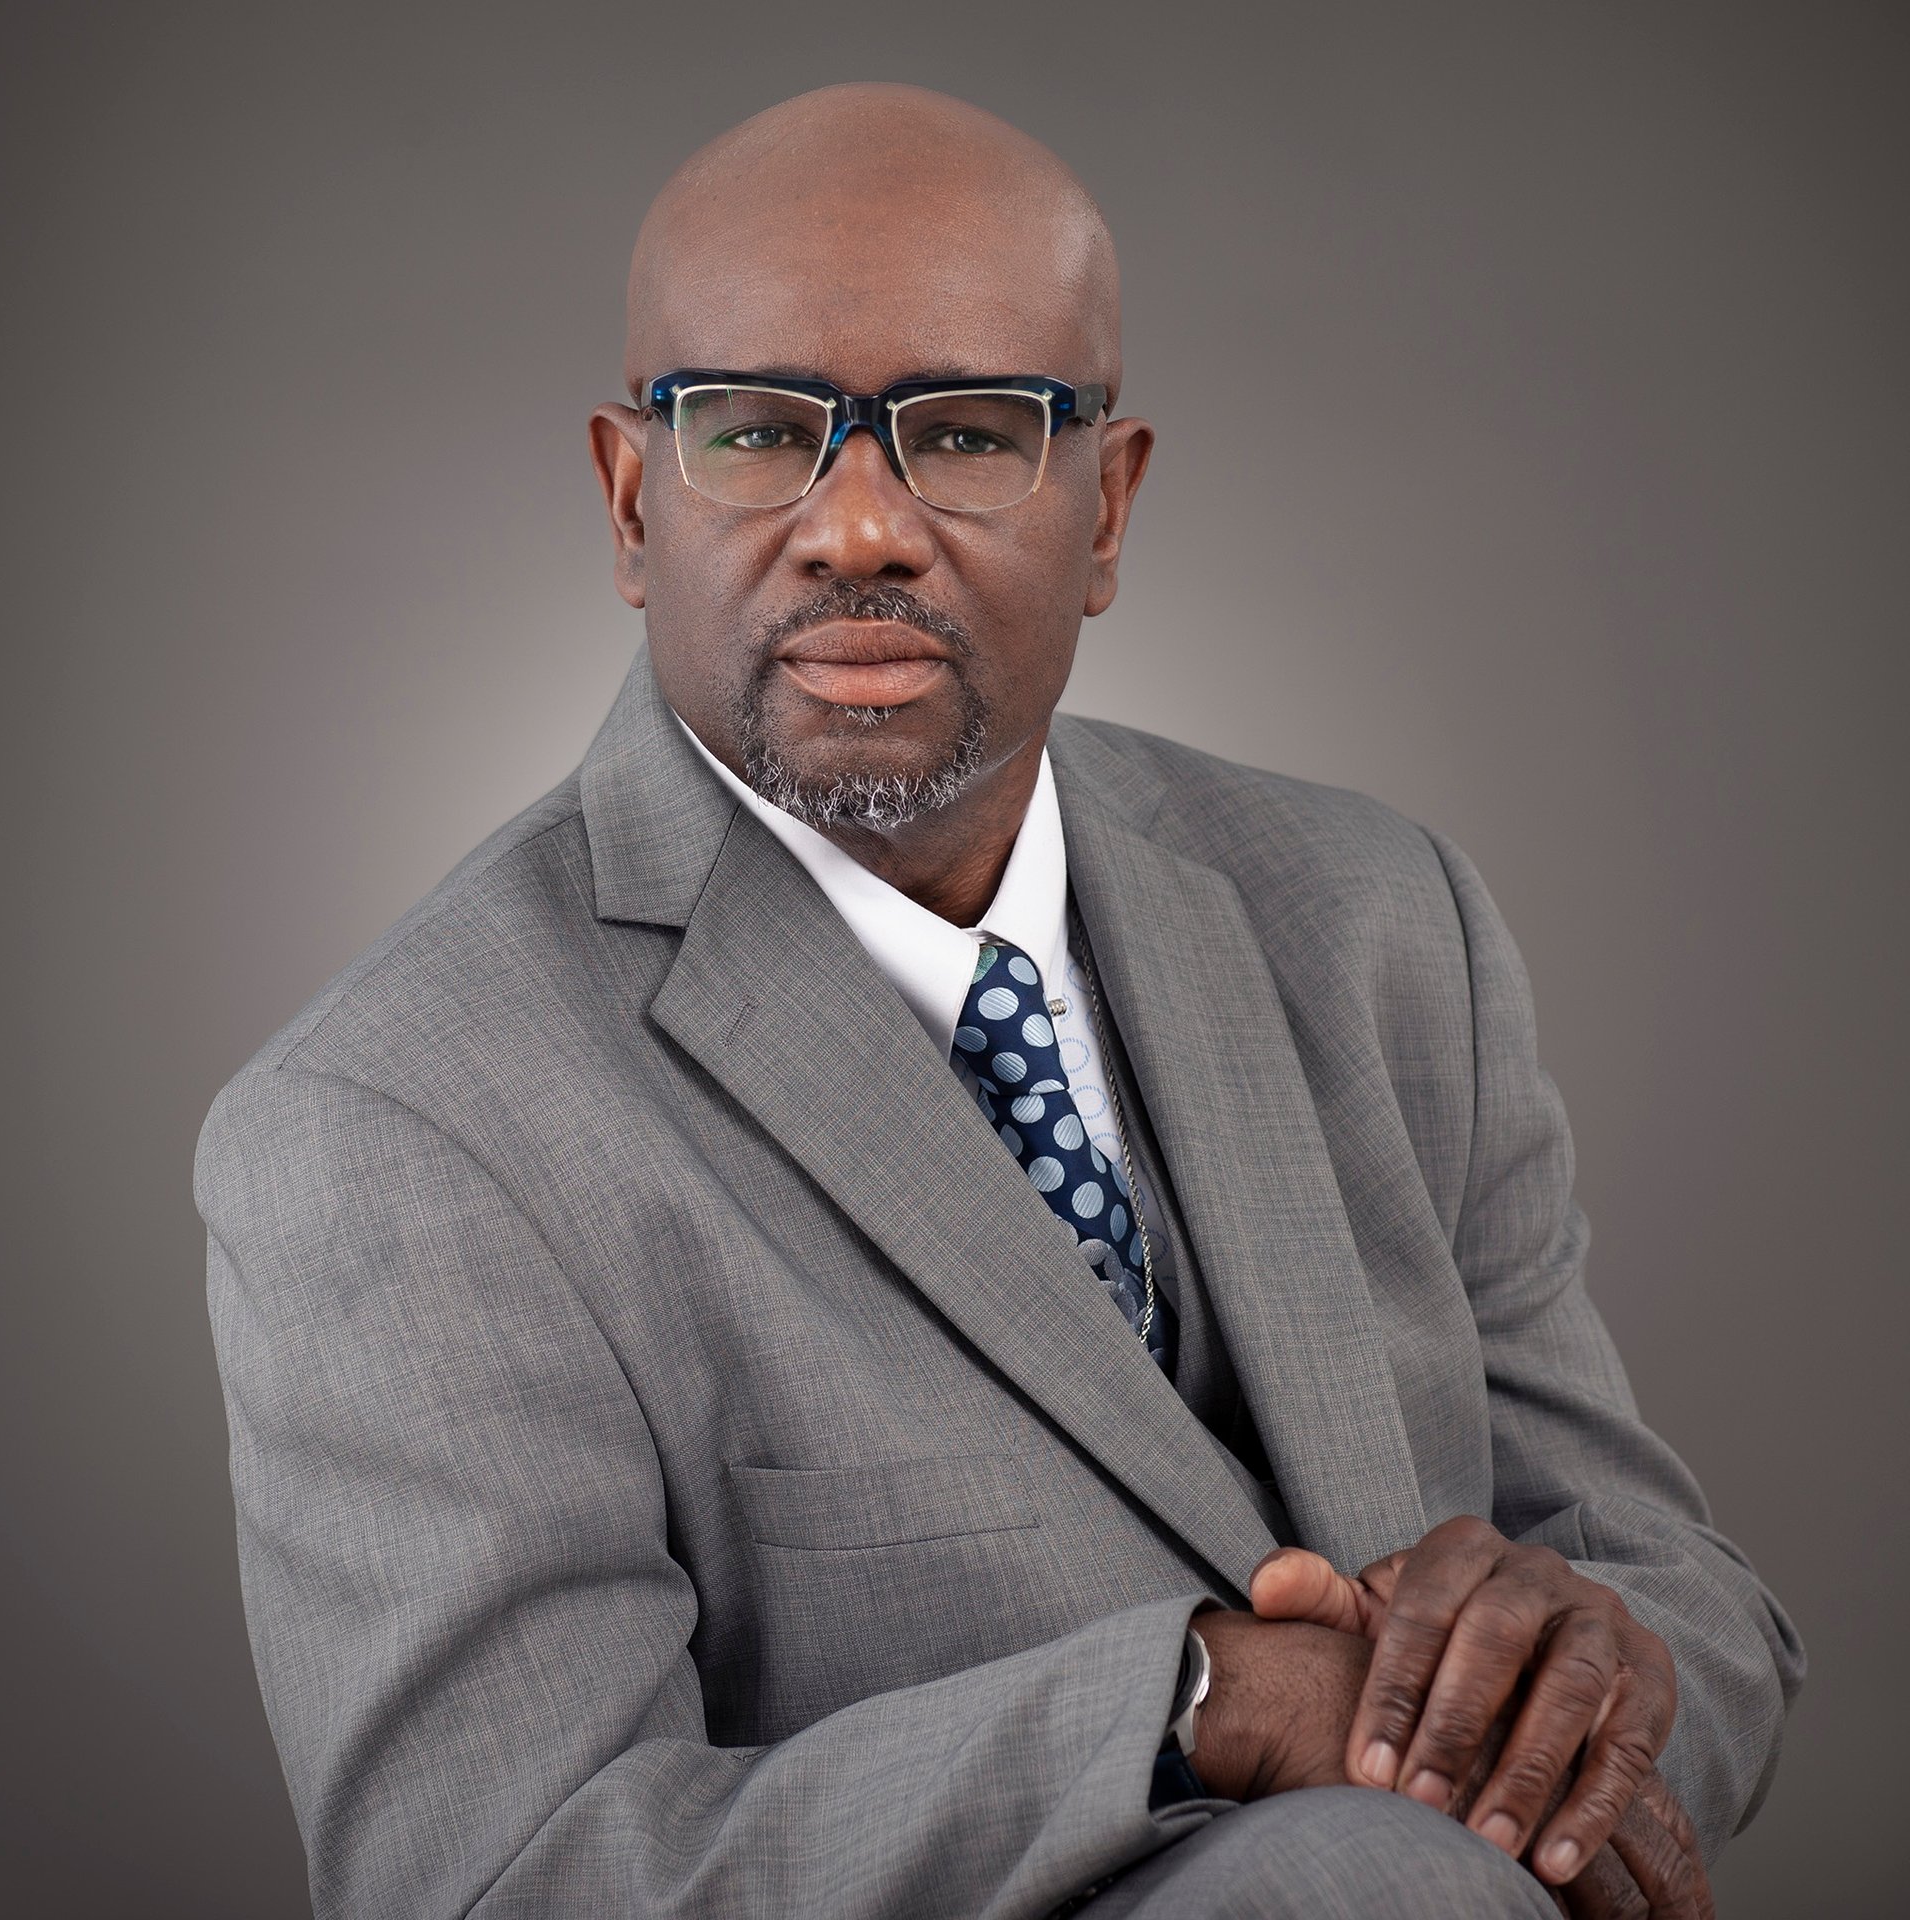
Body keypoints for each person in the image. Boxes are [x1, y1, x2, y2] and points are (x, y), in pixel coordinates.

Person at [195, 82, 1802, 1919]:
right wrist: (1197, 1706)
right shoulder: (397, 1125)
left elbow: (1695, 1616)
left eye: (967, 433)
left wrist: (1566, 1684)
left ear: (1107, 509)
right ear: (634, 503)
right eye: (757, 433)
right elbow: (503, 1879)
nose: (857, 529)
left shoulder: (1379, 920)